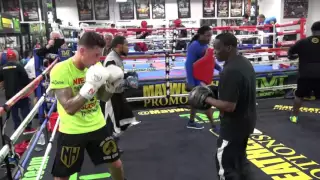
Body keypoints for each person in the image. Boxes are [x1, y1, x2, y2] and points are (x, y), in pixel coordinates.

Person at [49, 32, 126, 180]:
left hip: (97, 125)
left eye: (100, 56)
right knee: (62, 175)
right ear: (82, 51)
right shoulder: (61, 70)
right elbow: (69, 108)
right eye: (96, 55)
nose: (98, 60)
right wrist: (90, 86)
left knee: (116, 164)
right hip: (72, 130)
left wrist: (111, 86)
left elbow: (103, 98)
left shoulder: (95, 66)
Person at [188, 32, 256, 180]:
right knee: (240, 161)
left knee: (225, 167)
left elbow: (229, 106)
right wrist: (216, 90)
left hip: (233, 126)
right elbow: (239, 92)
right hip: (246, 122)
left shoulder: (231, 70)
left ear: (229, 47)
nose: (214, 53)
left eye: (217, 49)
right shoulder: (244, 62)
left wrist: (206, 98)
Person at [103, 36, 140, 146]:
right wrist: (127, 82)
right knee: (112, 124)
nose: (128, 48)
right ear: (119, 46)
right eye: (126, 45)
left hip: (118, 95)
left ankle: (112, 144)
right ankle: (109, 149)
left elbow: (117, 74)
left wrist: (127, 74)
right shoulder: (111, 59)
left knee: (127, 119)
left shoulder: (116, 57)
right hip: (112, 96)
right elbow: (110, 78)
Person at [185, 25, 222, 130]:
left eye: (210, 36)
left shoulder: (205, 46)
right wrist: (191, 82)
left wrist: (220, 69)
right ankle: (214, 126)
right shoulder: (195, 46)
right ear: (200, 35)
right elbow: (188, 64)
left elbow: (209, 61)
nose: (209, 38)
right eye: (207, 36)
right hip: (196, 78)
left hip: (201, 78)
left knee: (195, 100)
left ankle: (191, 121)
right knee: (207, 100)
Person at [288, 21, 320, 123]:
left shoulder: (302, 42)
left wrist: (296, 56)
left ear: (312, 30)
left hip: (305, 74)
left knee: (299, 96)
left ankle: (294, 117)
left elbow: (290, 54)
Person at [0, 49, 35, 134]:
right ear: (15, 56)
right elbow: (25, 79)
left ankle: (17, 127)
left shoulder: (2, 68)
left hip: (9, 95)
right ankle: (27, 127)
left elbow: (1, 80)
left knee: (14, 111)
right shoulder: (19, 66)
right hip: (20, 94)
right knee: (25, 110)